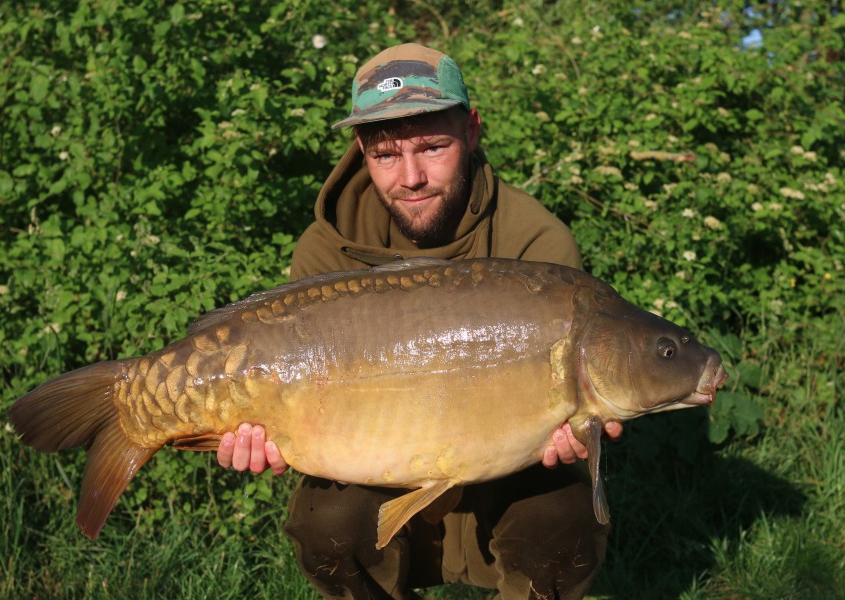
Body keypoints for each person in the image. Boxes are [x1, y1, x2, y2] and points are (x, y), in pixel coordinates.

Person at [217, 43, 622, 599]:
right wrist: (259, 429)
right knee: (327, 522)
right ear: (361, 149)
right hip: (377, 482)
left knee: (564, 522)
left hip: (506, 486)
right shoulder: (324, 249)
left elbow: (574, 402)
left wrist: (578, 427)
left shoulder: (537, 242)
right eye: (385, 155)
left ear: (473, 131)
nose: (411, 177)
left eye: (433, 146)